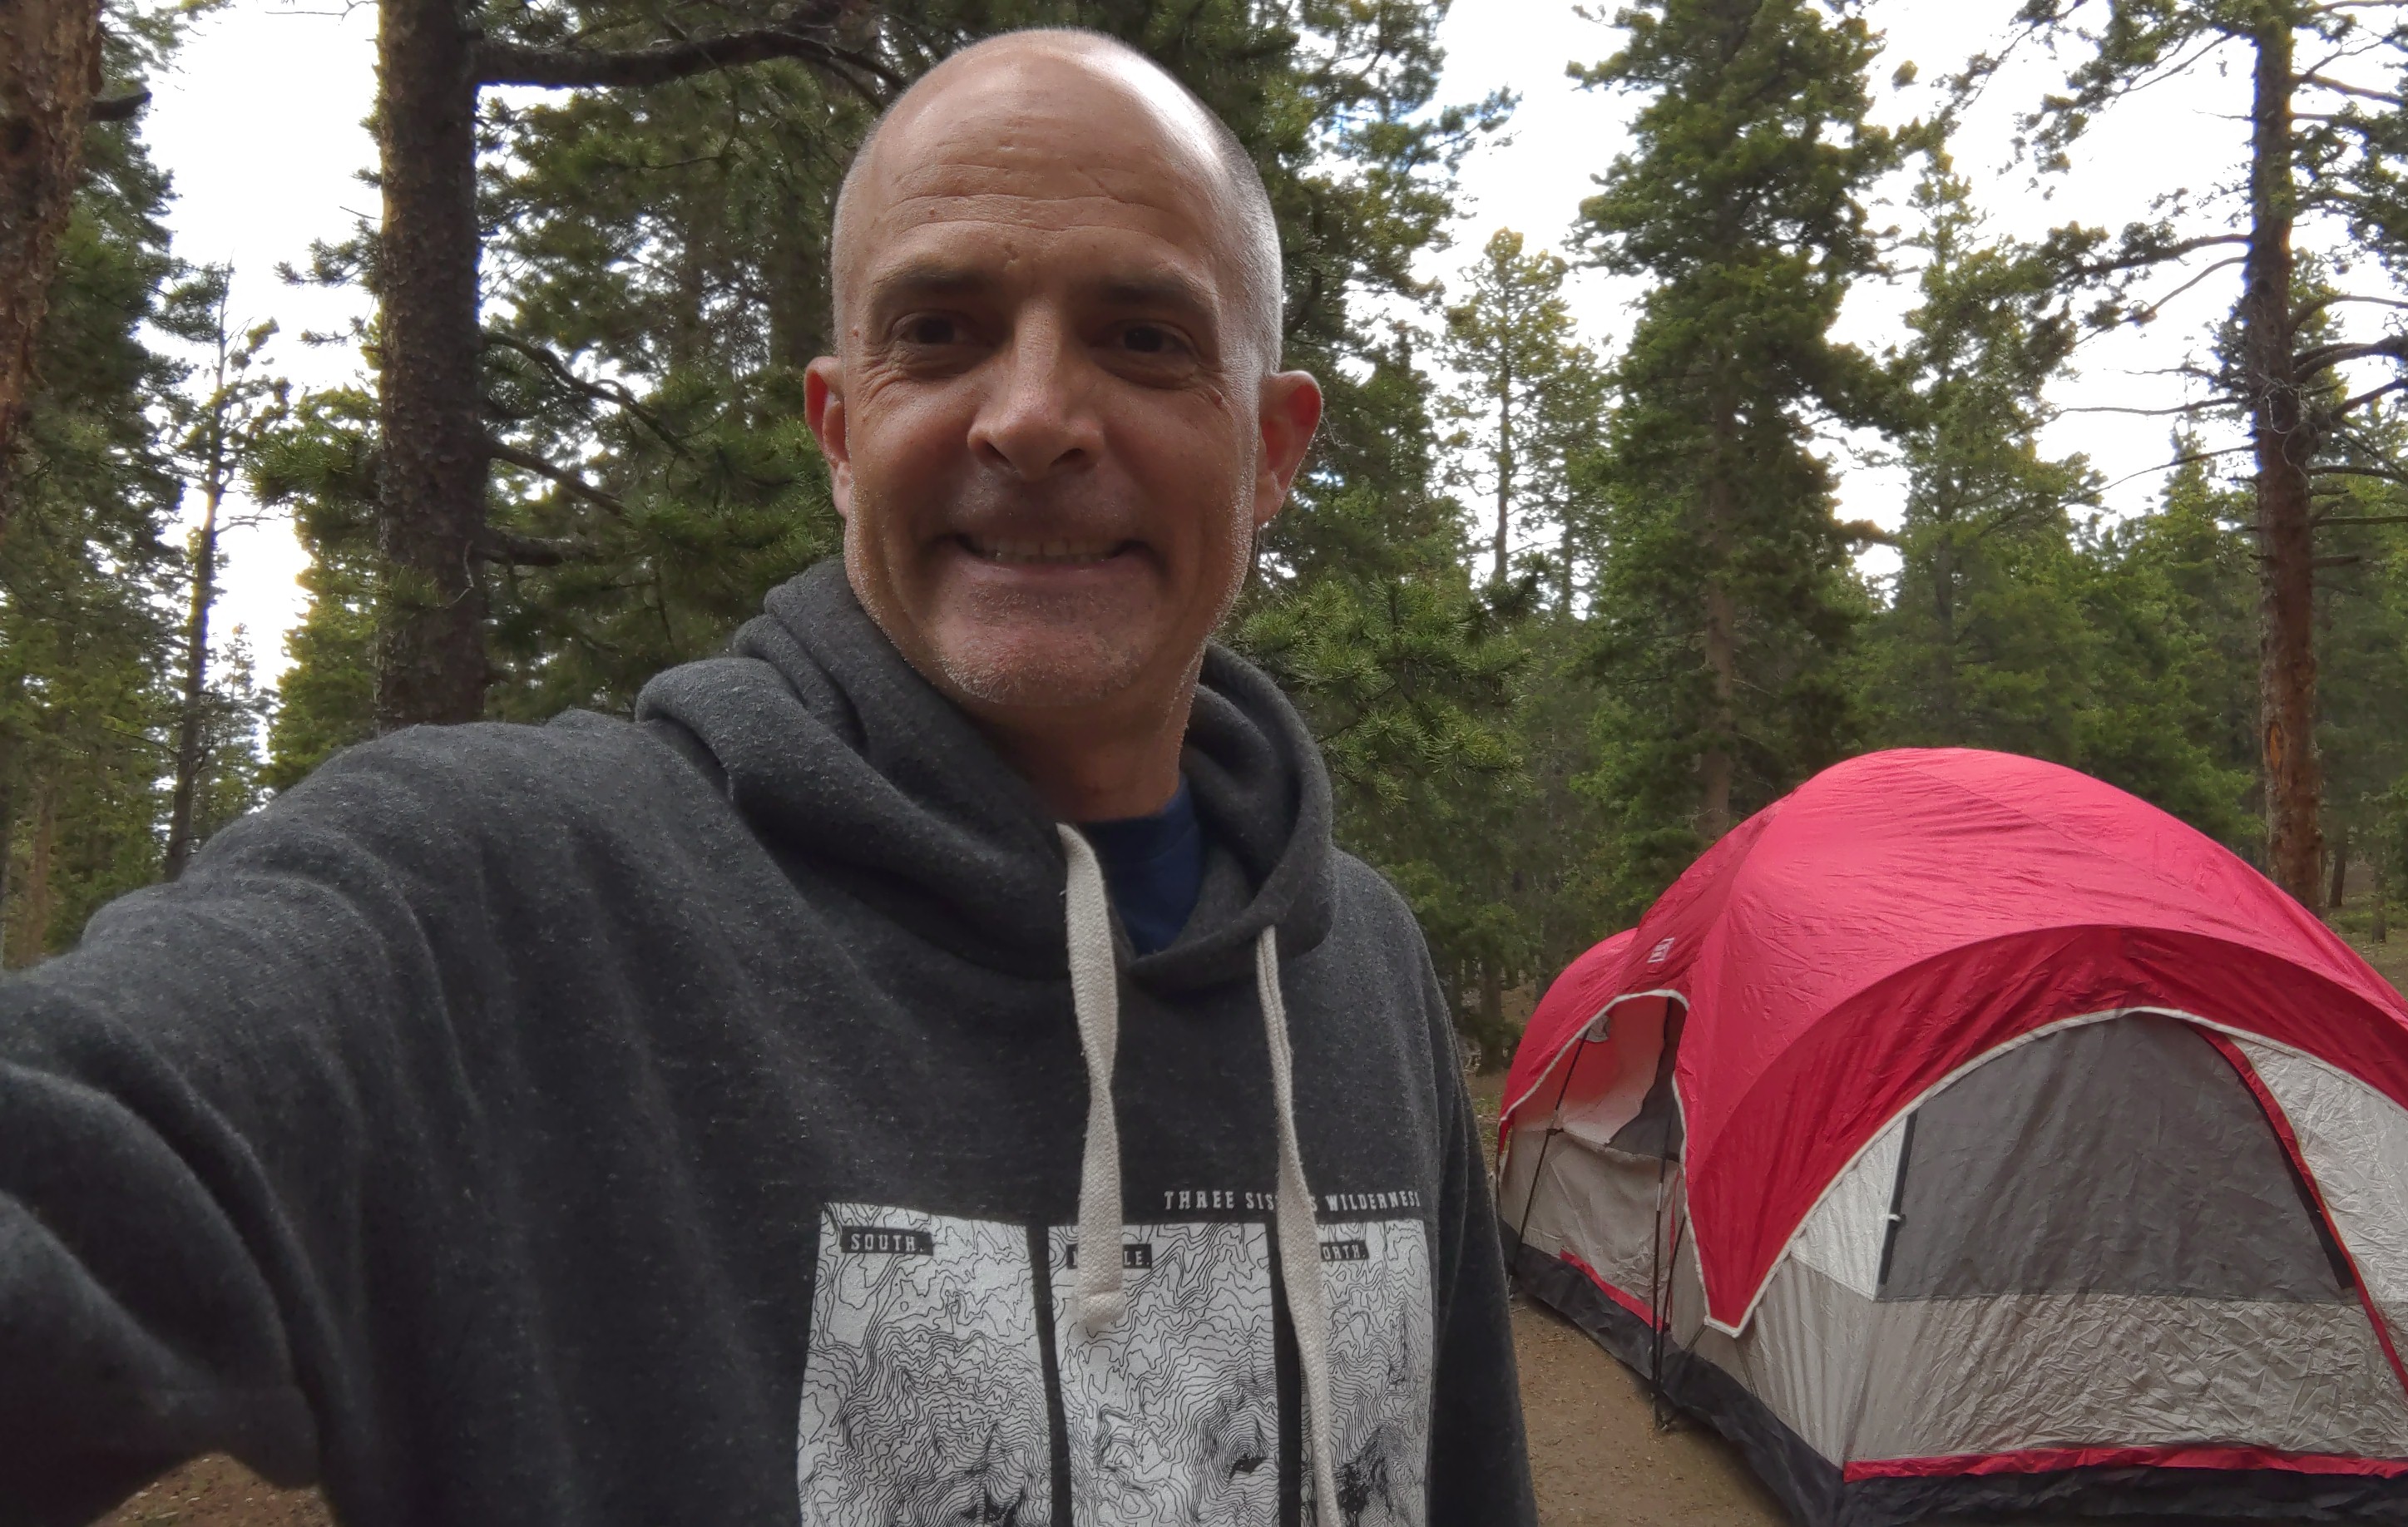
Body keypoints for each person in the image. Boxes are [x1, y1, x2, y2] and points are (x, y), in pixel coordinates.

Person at [0, 30, 1534, 1527]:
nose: (1031, 418)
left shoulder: (1357, 964)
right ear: (841, 432)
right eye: (940, 331)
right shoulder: (493, 902)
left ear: (1273, 450)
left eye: (1144, 337)